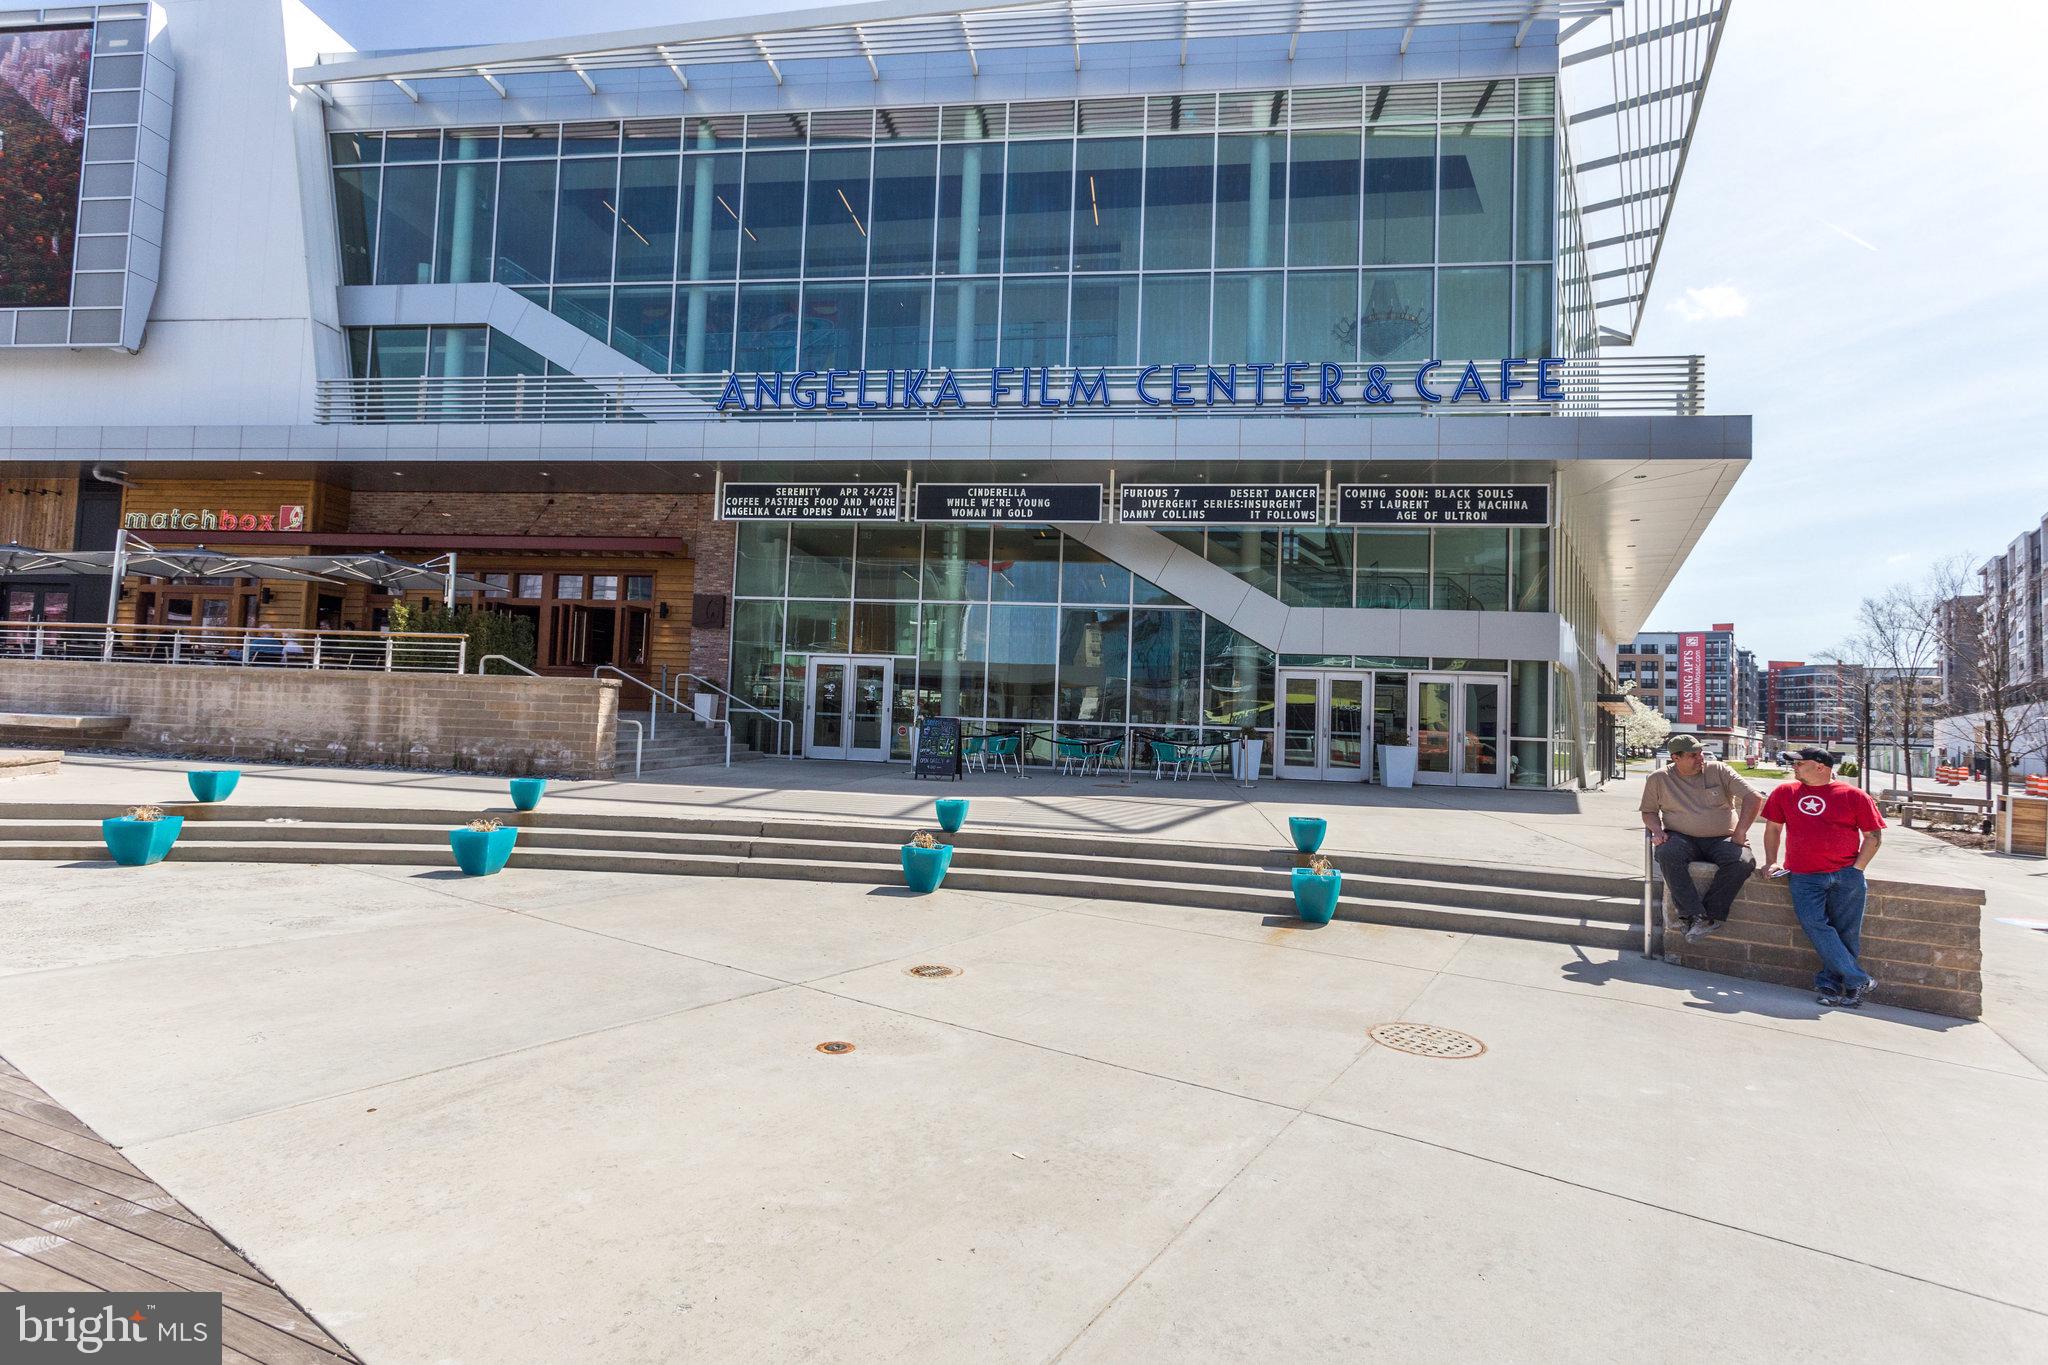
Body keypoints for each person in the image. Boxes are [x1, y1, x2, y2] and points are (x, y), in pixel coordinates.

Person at [1761, 747, 1886, 1008]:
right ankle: (1857, 978)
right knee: (1814, 925)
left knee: (1846, 933)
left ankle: (1834, 987)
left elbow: (1873, 836)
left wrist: (1857, 869)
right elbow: (1773, 828)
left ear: (1821, 767)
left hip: (1846, 875)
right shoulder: (1785, 792)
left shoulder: (1854, 796)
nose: (1794, 768)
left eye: (1799, 763)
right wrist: (1771, 861)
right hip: (1804, 875)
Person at [1640, 734, 1762, 943]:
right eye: (1693, 755)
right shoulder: (1658, 778)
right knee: (1666, 853)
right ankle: (1693, 914)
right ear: (1675, 758)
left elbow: (1753, 797)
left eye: (1701, 753)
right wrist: (1657, 831)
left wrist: (1740, 832)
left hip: (1722, 838)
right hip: (1681, 837)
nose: (1700, 758)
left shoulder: (1719, 770)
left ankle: (1710, 916)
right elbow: (1649, 811)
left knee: (1743, 862)